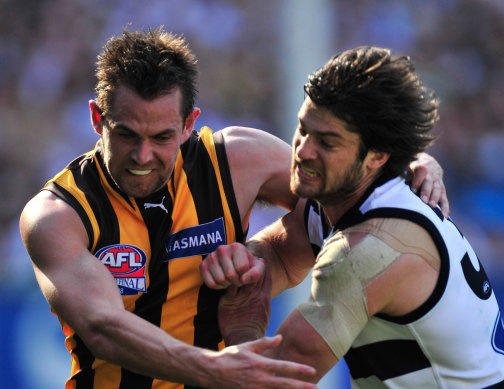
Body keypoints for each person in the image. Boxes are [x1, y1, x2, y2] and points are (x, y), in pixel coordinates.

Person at [19, 26, 447, 389]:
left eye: (163, 137)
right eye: (127, 134)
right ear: (97, 119)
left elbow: (348, 185)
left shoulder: (239, 160)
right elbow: (102, 329)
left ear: (190, 123)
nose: (143, 155)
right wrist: (213, 369)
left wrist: (403, 163)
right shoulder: (57, 215)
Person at [202, 47, 504, 388]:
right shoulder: (349, 198)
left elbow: (269, 379)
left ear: (377, 156)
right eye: (303, 129)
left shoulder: (369, 249)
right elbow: (281, 254)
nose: (303, 150)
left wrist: (241, 325)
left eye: (327, 142)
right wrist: (249, 263)